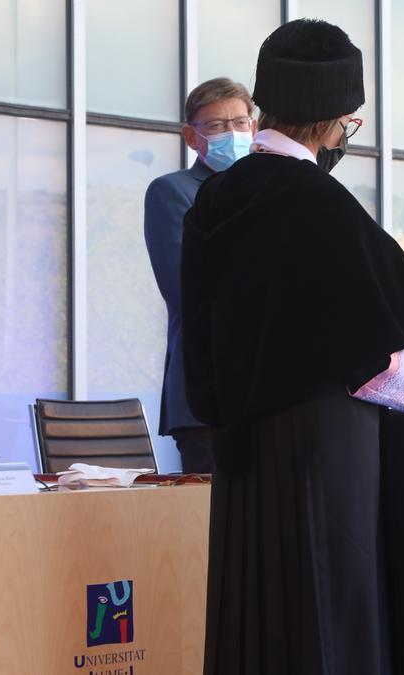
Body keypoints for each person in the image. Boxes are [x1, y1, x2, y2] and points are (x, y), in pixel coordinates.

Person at [180, 20, 404, 675]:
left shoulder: (215, 197)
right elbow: (371, 354)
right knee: (327, 603)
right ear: (334, 120)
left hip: (239, 444)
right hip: (320, 442)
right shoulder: (318, 203)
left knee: (251, 602)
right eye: (348, 123)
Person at [144, 77, 256, 473]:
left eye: (240, 123)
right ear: (191, 137)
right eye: (217, 126)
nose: (233, 133)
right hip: (207, 397)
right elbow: (186, 291)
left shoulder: (269, 192)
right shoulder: (174, 192)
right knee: (208, 528)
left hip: (270, 398)